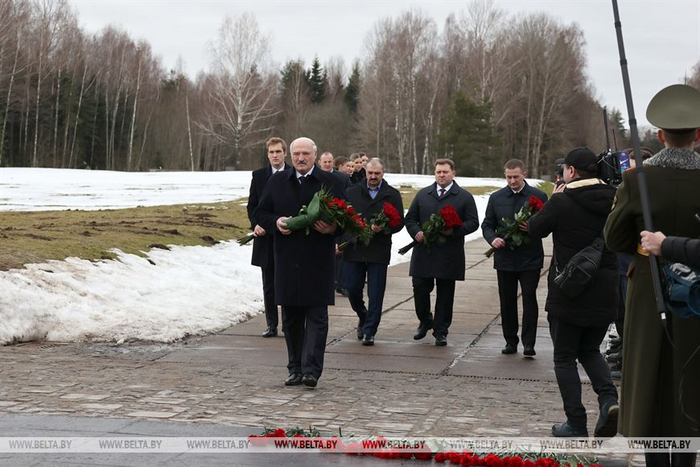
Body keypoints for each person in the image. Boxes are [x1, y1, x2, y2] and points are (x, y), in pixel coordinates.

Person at [605, 84, 700, 467]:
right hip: (697, 295)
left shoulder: (638, 181)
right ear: (698, 134)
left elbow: (614, 238)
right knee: (692, 378)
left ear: (659, 135)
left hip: (649, 288)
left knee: (649, 377)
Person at [528, 147, 619, 438]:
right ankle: (608, 400)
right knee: (591, 349)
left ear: (570, 171)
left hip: (570, 287)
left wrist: (555, 198)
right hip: (605, 286)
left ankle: (576, 422)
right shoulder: (615, 199)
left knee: (564, 357)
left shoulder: (562, 200)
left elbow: (535, 229)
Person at [253, 137, 345, 388]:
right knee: (291, 318)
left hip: (318, 261)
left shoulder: (330, 182)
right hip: (286, 259)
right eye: (296, 154)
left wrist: (332, 228)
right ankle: (294, 367)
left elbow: (349, 218)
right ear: (290, 156)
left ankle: (311, 370)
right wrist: (276, 223)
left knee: (317, 316)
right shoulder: (277, 181)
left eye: (305, 153)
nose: (301, 158)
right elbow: (260, 213)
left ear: (314, 156)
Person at [405, 158, 479, 346]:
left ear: (453, 173)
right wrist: (417, 232)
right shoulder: (423, 195)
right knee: (420, 287)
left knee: (445, 294)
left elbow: (473, 222)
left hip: (449, 253)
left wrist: (454, 231)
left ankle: (441, 330)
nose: (441, 175)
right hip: (424, 252)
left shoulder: (463, 197)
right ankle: (425, 320)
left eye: (445, 172)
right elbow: (410, 219)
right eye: (438, 172)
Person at [481, 159, 548, 356]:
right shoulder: (496, 198)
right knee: (507, 301)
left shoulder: (539, 196)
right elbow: (486, 225)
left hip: (530, 258)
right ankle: (510, 341)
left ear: (524, 174)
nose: (512, 181)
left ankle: (529, 343)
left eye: (515, 177)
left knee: (529, 299)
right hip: (505, 258)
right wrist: (492, 239)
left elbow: (547, 226)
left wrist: (533, 228)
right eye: (508, 177)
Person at [343, 158, 404, 345]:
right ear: (366, 172)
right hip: (355, 247)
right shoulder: (352, 192)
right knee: (353, 289)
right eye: (370, 173)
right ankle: (364, 315)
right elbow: (344, 218)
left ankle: (370, 330)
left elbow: (399, 222)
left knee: (376, 293)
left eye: (377, 173)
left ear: (383, 173)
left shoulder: (392, 194)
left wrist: (383, 228)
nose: (373, 177)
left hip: (378, 249)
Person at [247, 137, 290, 338]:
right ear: (267, 154)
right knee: (269, 284)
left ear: (284, 153)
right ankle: (272, 324)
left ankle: (290, 323)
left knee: (288, 281)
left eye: (278, 152)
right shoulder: (258, 176)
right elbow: (253, 205)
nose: (275, 155)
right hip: (265, 238)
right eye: (271, 152)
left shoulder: (294, 174)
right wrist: (256, 224)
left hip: (288, 237)